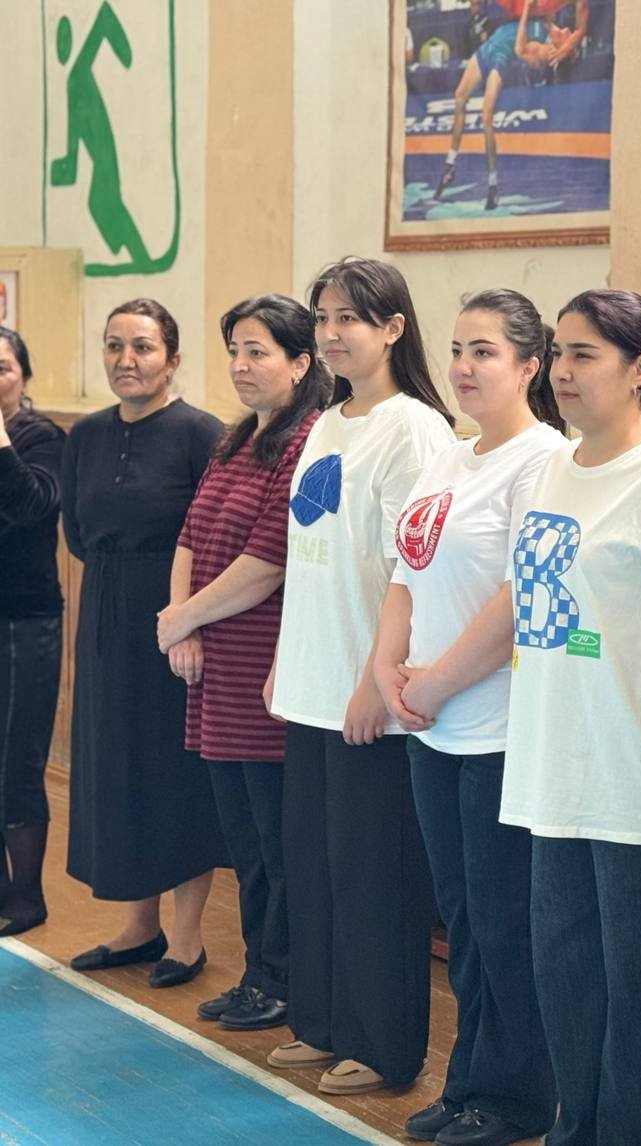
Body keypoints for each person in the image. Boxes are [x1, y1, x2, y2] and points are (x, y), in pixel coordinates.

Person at [500, 288, 641, 1144]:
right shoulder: (555, 464)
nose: (562, 371)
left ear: (640, 370)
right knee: (568, 984)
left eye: (584, 355)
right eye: (558, 353)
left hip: (640, 784)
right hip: (555, 771)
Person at [374, 289, 563, 1146]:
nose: (463, 366)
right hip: (431, 726)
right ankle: (469, 1083)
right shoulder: (450, 457)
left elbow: (521, 600)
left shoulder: (543, 460)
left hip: (496, 729)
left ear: (529, 365)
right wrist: (388, 669)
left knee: (502, 925)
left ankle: (516, 1097)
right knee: (461, 922)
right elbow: (404, 573)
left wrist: (437, 683)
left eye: (484, 351)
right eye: (457, 349)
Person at [264, 258, 455, 1096]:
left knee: (373, 875)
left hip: (365, 690)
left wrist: (376, 682)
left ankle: (383, 1046)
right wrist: (286, 663)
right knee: (315, 867)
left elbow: (411, 571)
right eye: (324, 317)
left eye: (350, 317)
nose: (332, 333)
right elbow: (309, 557)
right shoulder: (326, 422)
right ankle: (323, 1022)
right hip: (310, 683)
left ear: (393, 328)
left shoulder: (414, 429)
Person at [157, 295, 329, 1031]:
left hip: (263, 675)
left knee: (276, 845)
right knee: (247, 845)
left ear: (300, 363)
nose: (241, 365)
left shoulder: (306, 441)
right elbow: (191, 535)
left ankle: (281, 980)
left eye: (257, 351)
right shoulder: (236, 439)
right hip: (214, 675)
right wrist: (181, 624)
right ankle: (259, 973)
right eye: (235, 350)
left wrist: (183, 618)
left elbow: (270, 559)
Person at [63, 299, 227, 987]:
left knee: (174, 776)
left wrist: (187, 620)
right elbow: (76, 534)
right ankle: (138, 924)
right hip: (104, 616)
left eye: (143, 346)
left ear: (172, 359)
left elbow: (214, 538)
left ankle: (186, 938)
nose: (126, 360)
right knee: (116, 769)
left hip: (175, 623)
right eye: (114, 345)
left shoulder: (202, 433)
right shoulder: (84, 435)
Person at [0, 327, 65, 937]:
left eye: (2, 367)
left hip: (24, 619)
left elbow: (28, 504)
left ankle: (26, 897)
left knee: (18, 763)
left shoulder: (41, 436)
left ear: (24, 376)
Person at [433, 0, 588, 210]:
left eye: (568, 40)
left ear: (558, 53)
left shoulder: (543, 51)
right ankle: (450, 164)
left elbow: (518, 50)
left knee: (486, 116)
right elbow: (574, 25)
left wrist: (526, 9)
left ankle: (492, 186)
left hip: (499, 57)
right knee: (459, 98)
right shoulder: (549, 24)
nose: (567, 31)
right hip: (487, 48)